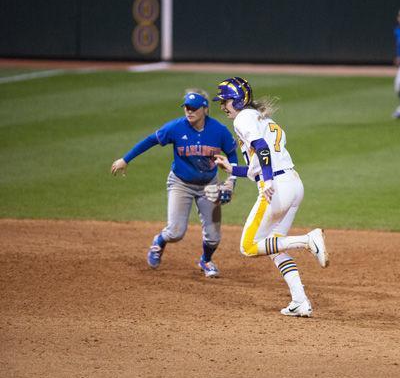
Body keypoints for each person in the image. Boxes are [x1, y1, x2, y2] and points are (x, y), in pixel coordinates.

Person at [207, 76, 329, 317]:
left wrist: (269, 179)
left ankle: (307, 241)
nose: (223, 107)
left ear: (239, 101)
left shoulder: (243, 118)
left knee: (248, 246)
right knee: (273, 246)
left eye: (226, 102)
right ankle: (300, 301)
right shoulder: (262, 119)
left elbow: (262, 149)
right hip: (293, 183)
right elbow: (256, 169)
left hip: (276, 186)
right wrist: (232, 169)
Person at [111, 89, 238, 278]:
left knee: (213, 236)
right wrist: (126, 159)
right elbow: (150, 140)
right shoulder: (176, 127)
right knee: (175, 232)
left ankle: (206, 260)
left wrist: (231, 182)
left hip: (209, 186)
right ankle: (159, 241)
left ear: (205, 109)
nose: (189, 111)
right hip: (181, 183)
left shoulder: (219, 131)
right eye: (187, 107)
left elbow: (233, 155)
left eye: (194, 108)